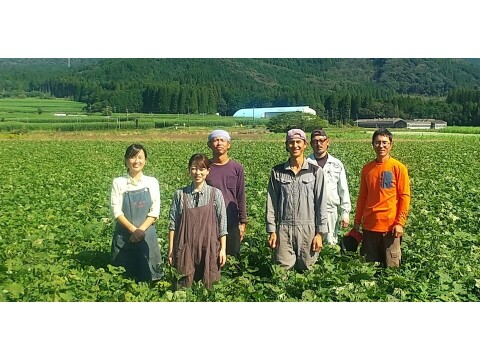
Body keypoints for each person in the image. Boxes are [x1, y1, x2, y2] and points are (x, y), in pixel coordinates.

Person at [266, 128, 328, 271]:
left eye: (298, 142)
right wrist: (271, 230)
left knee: (308, 268)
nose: (295, 146)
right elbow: (271, 203)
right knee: (282, 270)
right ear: (287, 145)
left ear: (305, 144)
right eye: (291, 142)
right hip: (283, 229)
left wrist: (320, 233)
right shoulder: (277, 171)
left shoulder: (315, 171)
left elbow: (321, 204)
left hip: (308, 229)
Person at [168, 153, 228, 289]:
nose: (198, 173)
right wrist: (171, 250)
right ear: (189, 170)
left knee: (210, 286)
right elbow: (173, 224)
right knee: (183, 287)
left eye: (202, 169)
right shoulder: (180, 194)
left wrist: (223, 249)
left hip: (208, 247)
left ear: (208, 171)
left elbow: (222, 223)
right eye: (194, 168)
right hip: (185, 247)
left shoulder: (215, 194)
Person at [354, 128, 411, 268]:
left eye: (385, 143)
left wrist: (400, 223)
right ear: (372, 144)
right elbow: (362, 196)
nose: (381, 146)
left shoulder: (398, 168)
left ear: (391, 144)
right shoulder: (367, 169)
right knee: (369, 268)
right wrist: (357, 221)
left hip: (390, 228)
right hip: (369, 227)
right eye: (377, 142)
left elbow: (404, 196)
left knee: (392, 267)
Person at [110, 144, 163, 282]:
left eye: (140, 157)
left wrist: (140, 231)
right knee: (123, 278)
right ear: (126, 160)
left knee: (149, 276)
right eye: (132, 157)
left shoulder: (151, 182)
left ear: (145, 160)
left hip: (146, 233)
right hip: (124, 235)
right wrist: (133, 230)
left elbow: (155, 210)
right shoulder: (119, 182)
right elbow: (116, 211)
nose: (136, 161)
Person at [206, 129, 247, 258]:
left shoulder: (236, 168)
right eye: (215, 140)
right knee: (211, 254)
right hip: (210, 220)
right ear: (209, 145)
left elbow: (240, 195)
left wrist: (243, 222)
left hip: (232, 220)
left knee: (232, 256)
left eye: (222, 140)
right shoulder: (205, 167)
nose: (219, 143)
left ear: (228, 144)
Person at [306, 128, 351, 245]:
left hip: (331, 211)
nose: (319, 144)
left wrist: (345, 213)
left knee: (331, 244)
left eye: (322, 140)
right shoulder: (305, 164)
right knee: (311, 244)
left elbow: (343, 190)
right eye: (315, 141)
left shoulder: (336, 164)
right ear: (311, 144)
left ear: (328, 142)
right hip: (310, 212)